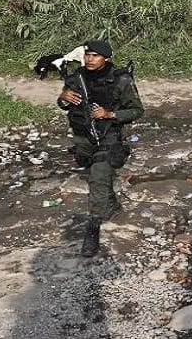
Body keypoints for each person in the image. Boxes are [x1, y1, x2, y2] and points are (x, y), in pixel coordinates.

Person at [57, 39, 143, 257]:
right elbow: (63, 103)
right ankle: (111, 204)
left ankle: (93, 228)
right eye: (87, 55)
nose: (90, 59)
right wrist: (63, 98)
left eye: (95, 56)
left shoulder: (121, 79)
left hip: (110, 136)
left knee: (97, 178)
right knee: (95, 174)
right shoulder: (77, 77)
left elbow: (137, 110)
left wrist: (110, 114)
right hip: (82, 137)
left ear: (106, 58)